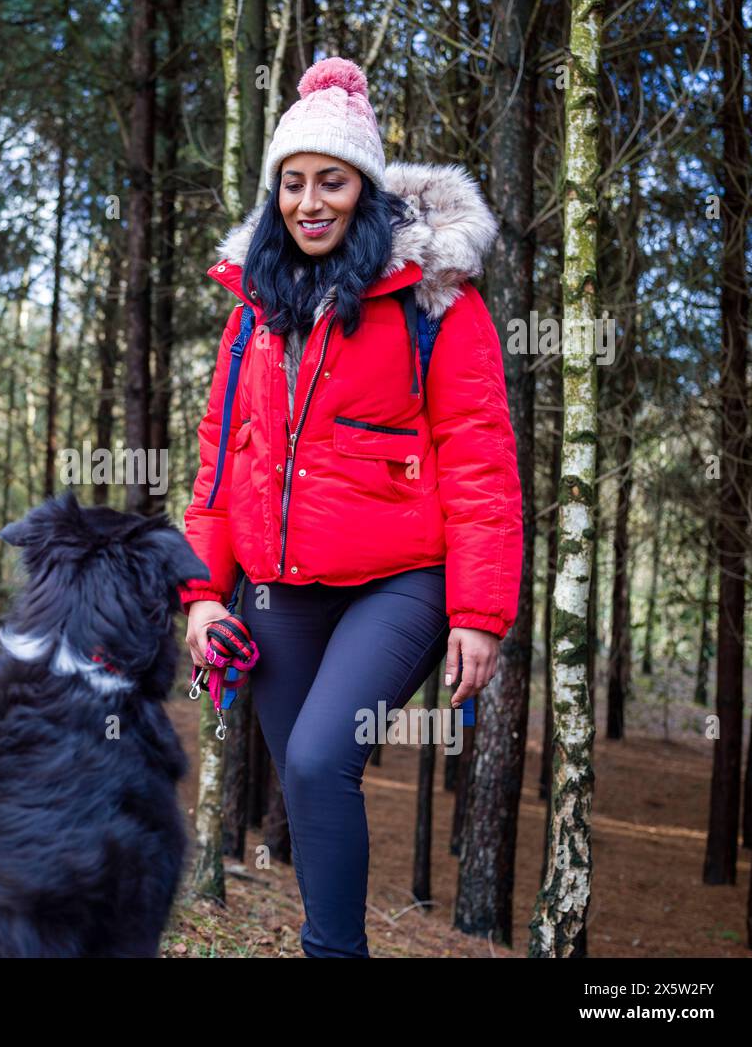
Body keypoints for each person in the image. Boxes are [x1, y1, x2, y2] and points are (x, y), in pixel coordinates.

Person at [178, 56, 524, 958]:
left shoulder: (435, 300)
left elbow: (480, 457)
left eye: (330, 181)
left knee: (317, 757)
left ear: (364, 188)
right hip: (278, 585)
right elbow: (221, 461)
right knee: (309, 780)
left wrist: (480, 612)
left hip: (402, 581)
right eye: (292, 184)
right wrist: (203, 595)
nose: (309, 201)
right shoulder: (254, 308)